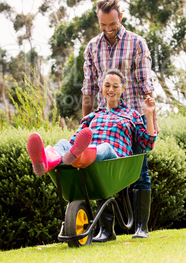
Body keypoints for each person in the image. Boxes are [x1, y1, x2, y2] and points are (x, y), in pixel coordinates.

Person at [81, 0, 160, 241]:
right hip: (105, 120)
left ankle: (141, 227)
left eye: (112, 24)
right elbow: (88, 89)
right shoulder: (93, 47)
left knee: (140, 170)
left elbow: (146, 84)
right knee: (102, 170)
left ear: (120, 18)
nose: (107, 29)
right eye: (103, 25)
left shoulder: (137, 43)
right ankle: (106, 230)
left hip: (133, 119)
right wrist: (86, 125)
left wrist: (151, 121)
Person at [27, 69, 157, 181]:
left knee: (105, 147)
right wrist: (69, 149)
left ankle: (80, 157)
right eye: (107, 85)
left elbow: (148, 144)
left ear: (123, 89)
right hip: (89, 162)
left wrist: (149, 114)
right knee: (63, 143)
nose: (111, 89)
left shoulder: (132, 115)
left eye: (115, 86)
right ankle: (44, 163)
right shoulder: (93, 116)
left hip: (114, 163)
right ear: (102, 87)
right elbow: (74, 141)